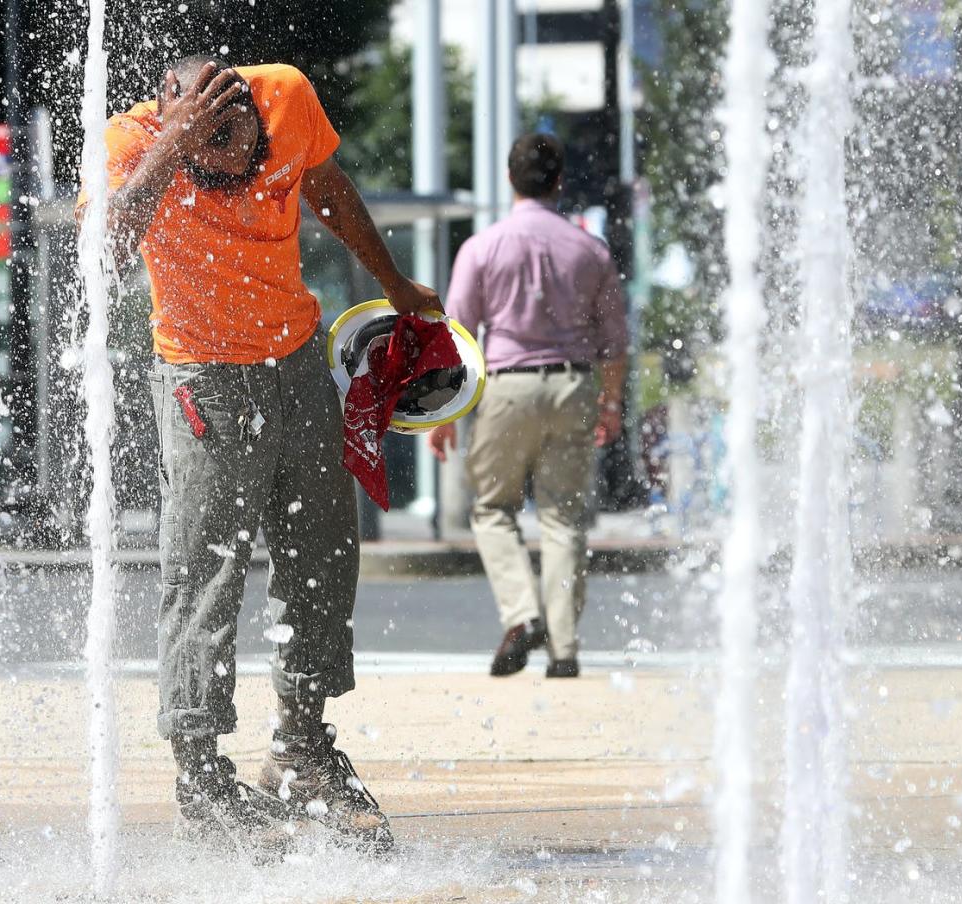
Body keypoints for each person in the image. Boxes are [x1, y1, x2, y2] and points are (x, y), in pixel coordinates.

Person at [81, 55, 439, 852]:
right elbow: (101, 258)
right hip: (202, 381)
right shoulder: (128, 143)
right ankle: (202, 780)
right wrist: (170, 148)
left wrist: (396, 283)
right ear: (173, 126)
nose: (236, 169)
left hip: (297, 362)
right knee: (204, 572)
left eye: (244, 147)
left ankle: (303, 750)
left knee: (323, 554)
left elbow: (328, 187)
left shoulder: (285, 97)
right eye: (208, 151)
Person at [428, 133, 629, 680]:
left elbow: (460, 336)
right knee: (564, 517)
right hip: (573, 385)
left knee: (493, 509)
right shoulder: (590, 250)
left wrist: (445, 415)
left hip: (507, 387)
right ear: (560, 181)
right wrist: (610, 403)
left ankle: (522, 615)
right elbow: (614, 339)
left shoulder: (483, 247)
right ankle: (563, 650)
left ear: (510, 180)